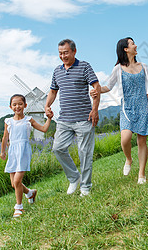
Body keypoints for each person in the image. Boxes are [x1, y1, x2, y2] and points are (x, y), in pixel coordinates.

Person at [91, 37, 148, 184]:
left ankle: (141, 174)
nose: (135, 45)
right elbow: (108, 86)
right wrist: (96, 90)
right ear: (125, 49)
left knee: (142, 141)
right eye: (132, 43)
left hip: (143, 106)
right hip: (127, 107)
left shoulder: (143, 66)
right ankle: (128, 158)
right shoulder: (118, 68)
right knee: (125, 138)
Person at [45, 39, 100, 197]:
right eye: (60, 53)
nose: (63, 56)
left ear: (74, 51)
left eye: (66, 52)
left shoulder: (84, 66)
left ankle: (86, 187)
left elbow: (96, 87)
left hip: (84, 118)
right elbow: (53, 91)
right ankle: (74, 177)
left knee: (85, 153)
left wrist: (95, 109)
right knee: (58, 148)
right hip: (64, 119)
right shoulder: (57, 71)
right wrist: (47, 105)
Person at [0, 94, 53, 218]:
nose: (17, 106)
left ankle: (19, 208)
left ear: (25, 105)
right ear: (10, 107)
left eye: (20, 104)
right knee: (14, 184)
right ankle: (30, 193)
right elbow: (5, 137)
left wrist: (49, 118)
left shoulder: (28, 120)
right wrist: (3, 151)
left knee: (18, 181)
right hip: (12, 152)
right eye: (14, 104)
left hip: (23, 151)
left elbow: (44, 129)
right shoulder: (8, 121)